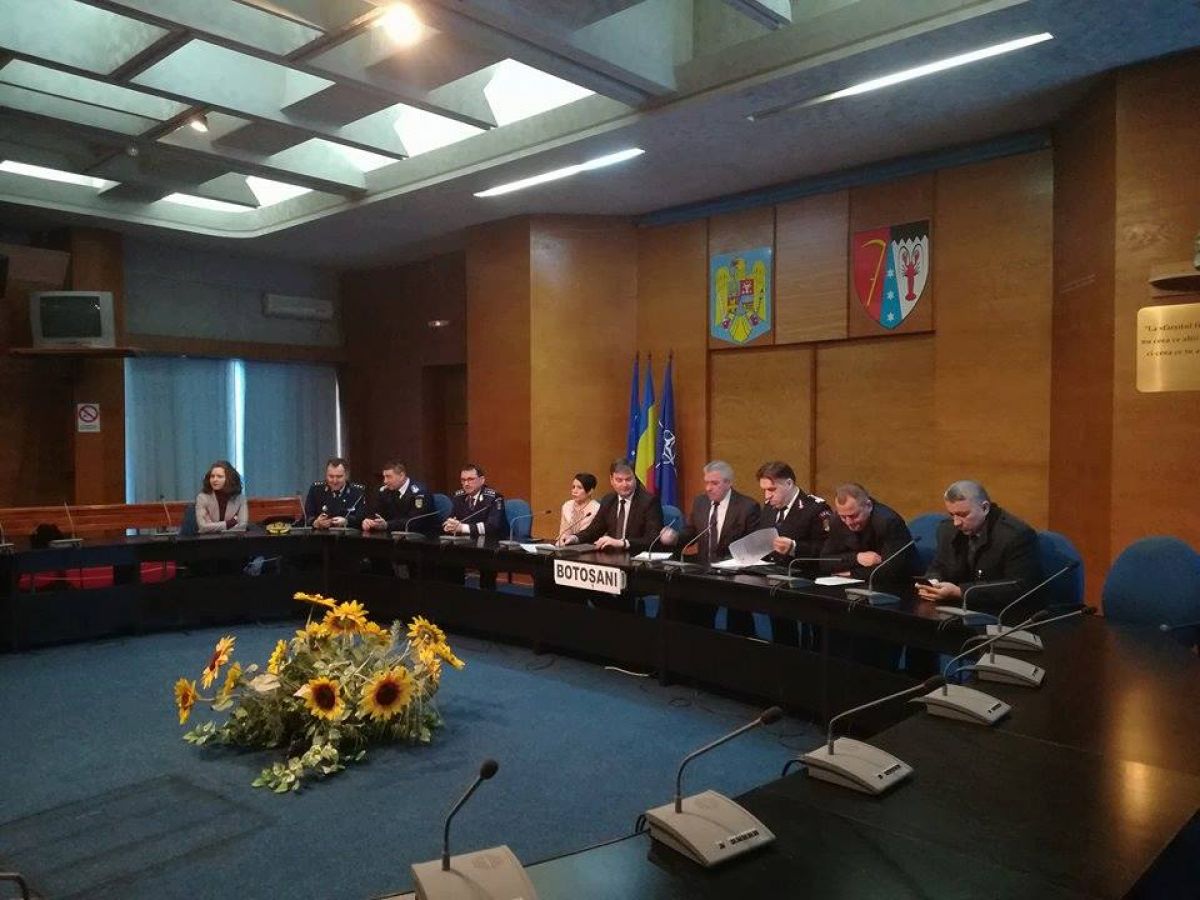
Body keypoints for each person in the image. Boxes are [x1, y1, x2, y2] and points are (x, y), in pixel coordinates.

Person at [661, 460, 761, 630]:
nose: (708, 488)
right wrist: (674, 538)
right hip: (703, 572)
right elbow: (691, 532)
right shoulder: (701, 502)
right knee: (688, 613)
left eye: (714, 483)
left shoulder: (748, 507)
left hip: (734, 576)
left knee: (738, 624)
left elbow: (752, 546)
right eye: (706, 482)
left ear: (729, 483)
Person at [917, 480, 1041, 612]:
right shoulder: (947, 529)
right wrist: (932, 583)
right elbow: (939, 565)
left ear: (985, 508)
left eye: (963, 514)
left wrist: (961, 592)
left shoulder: (1015, 536)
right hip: (956, 607)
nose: (956, 523)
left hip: (1000, 612)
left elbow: (1018, 587)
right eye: (952, 514)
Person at [756, 461, 832, 646]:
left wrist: (795, 547)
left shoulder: (816, 508)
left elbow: (826, 550)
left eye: (772, 489)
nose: (767, 496)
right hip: (775, 580)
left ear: (789, 483)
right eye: (764, 490)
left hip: (807, 582)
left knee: (811, 642)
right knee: (782, 637)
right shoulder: (769, 508)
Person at [822, 483, 917, 583]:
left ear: (869, 506)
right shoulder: (837, 521)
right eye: (843, 516)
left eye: (853, 516)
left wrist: (851, 574)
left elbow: (892, 569)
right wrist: (857, 558)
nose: (848, 522)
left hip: (900, 583)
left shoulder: (889, 522)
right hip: (858, 582)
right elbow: (825, 562)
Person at [566, 459, 663, 554]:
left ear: (635, 478)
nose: (624, 485)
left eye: (628, 479)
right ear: (611, 480)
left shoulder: (649, 502)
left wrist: (623, 543)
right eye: (619, 480)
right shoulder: (608, 500)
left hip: (635, 557)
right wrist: (575, 538)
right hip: (611, 556)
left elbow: (653, 539)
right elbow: (594, 531)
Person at [361, 460, 434, 534]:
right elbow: (376, 512)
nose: (385, 481)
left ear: (401, 476)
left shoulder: (420, 493)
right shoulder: (385, 491)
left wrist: (387, 525)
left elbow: (414, 522)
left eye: (388, 477)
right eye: (384, 477)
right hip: (392, 534)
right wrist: (370, 521)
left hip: (419, 536)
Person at [443, 463, 506, 538]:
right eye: (463, 480)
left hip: (489, 541)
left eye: (470, 479)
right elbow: (451, 518)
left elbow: (493, 526)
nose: (466, 484)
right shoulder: (459, 497)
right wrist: (448, 525)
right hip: (464, 541)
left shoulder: (494, 498)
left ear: (482, 480)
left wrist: (462, 528)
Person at [303, 457, 366, 530]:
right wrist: (316, 522)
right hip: (321, 534)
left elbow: (362, 519)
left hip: (348, 535)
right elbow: (307, 517)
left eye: (339, 477)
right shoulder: (316, 489)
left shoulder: (357, 491)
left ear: (346, 476)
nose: (334, 481)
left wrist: (347, 521)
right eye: (331, 476)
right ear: (326, 475)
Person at [195, 460, 247, 533]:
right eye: (212, 476)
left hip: (232, 538)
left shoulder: (240, 498)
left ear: (229, 479)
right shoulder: (202, 497)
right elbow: (203, 527)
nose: (215, 480)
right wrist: (230, 523)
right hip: (209, 539)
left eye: (219, 476)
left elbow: (242, 526)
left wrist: (213, 528)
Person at [557, 472, 600, 545]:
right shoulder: (567, 506)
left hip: (587, 547)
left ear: (590, 491)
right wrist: (562, 539)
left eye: (579, 488)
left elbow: (592, 536)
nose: (574, 491)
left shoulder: (596, 508)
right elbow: (563, 532)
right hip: (566, 545)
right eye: (573, 487)